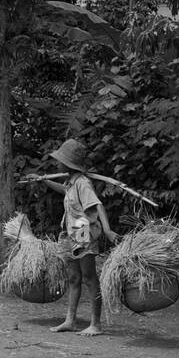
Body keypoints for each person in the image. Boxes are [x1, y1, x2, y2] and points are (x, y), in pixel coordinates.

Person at [43, 138, 116, 337]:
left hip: (83, 233)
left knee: (90, 278)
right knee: (74, 278)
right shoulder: (71, 183)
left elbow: (97, 205)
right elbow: (65, 191)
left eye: (60, 160)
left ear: (67, 163)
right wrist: (45, 180)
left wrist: (107, 230)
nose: (56, 163)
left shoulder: (83, 184)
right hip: (71, 232)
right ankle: (70, 320)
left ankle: (96, 324)